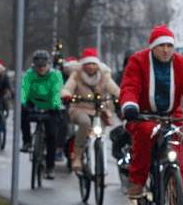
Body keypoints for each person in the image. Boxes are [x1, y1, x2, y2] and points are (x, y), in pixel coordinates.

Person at [119, 26, 183, 205]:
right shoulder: (137, 60)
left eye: (170, 45)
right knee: (145, 131)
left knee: (178, 161)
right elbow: (130, 86)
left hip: (170, 116)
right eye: (161, 46)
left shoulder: (182, 63)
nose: (166, 50)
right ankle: (137, 181)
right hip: (142, 114)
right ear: (152, 47)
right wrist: (129, 106)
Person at [59, 49, 120, 171]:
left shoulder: (104, 76)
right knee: (85, 122)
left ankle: (101, 170)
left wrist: (124, 97)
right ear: (83, 65)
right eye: (88, 64)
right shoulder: (76, 75)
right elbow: (67, 88)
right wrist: (66, 95)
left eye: (94, 64)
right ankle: (77, 155)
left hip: (98, 111)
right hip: (79, 109)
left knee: (101, 136)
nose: (91, 67)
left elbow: (115, 89)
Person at [19, 49, 65, 178]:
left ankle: (50, 168)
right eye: (39, 66)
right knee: (23, 114)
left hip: (50, 104)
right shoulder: (29, 74)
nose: (42, 69)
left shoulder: (55, 75)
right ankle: (27, 141)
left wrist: (55, 106)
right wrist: (23, 103)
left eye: (44, 66)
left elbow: (56, 91)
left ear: (48, 65)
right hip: (34, 102)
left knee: (52, 137)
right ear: (34, 66)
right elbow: (24, 89)